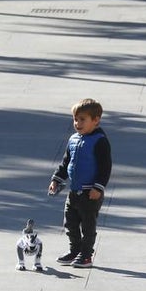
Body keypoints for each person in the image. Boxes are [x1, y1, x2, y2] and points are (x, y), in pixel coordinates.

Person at [48, 98, 112, 268]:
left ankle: (86, 255)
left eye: (83, 119)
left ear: (96, 120)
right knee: (69, 223)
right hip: (74, 192)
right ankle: (74, 250)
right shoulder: (73, 139)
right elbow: (65, 162)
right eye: (75, 119)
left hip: (90, 193)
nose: (77, 123)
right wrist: (56, 179)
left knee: (88, 226)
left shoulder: (99, 141)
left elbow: (105, 167)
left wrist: (98, 187)